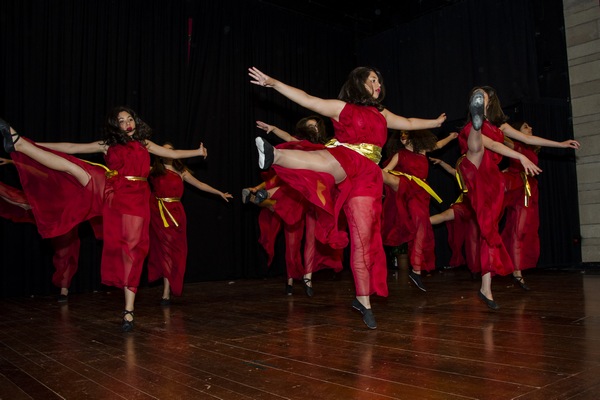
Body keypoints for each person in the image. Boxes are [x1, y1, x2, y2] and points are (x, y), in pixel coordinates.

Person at [248, 66, 446, 329]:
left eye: (379, 80)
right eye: (372, 79)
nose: (378, 84)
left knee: (363, 240)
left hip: (368, 177)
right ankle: (276, 155)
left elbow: (408, 123)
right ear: (358, 84)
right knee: (333, 158)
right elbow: (308, 99)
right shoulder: (342, 108)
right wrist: (273, 83)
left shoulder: (382, 113)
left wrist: (434, 123)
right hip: (344, 161)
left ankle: (363, 300)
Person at [1, 108, 207, 331]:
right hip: (112, 191)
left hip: (137, 199)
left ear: (135, 122)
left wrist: (197, 151)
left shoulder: (144, 143)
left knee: (133, 251)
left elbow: (174, 155)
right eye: (121, 121)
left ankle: (129, 310)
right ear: (116, 125)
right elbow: (71, 148)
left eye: (130, 119)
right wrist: (37, 145)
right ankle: (21, 144)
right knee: (74, 167)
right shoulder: (107, 144)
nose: (127, 123)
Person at [458, 87, 579, 310]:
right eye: (475, 95)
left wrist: (560, 144)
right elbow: (493, 145)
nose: (479, 97)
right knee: (476, 145)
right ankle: (475, 126)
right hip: (475, 166)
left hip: (493, 178)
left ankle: (486, 288)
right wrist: (520, 156)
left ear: (490, 100)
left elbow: (526, 137)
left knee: (489, 230)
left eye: (482, 95)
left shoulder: (501, 126)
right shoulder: (483, 130)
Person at [245, 116, 343, 296]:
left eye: (316, 126)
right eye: (310, 127)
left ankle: (308, 277)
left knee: (312, 238)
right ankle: (290, 278)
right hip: (299, 194)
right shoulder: (302, 145)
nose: (314, 129)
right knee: (292, 240)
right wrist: (273, 128)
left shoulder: (328, 147)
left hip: (318, 197)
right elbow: (289, 138)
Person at [148, 142, 232, 305]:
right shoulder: (154, 170)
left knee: (174, 251)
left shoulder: (181, 172)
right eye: (164, 150)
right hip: (159, 213)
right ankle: (166, 291)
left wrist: (219, 193)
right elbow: (132, 174)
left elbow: (200, 185)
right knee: (164, 250)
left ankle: (169, 286)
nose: (168, 153)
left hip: (177, 215)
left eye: (171, 150)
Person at [380, 130, 457, 291]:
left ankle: (416, 269)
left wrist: (450, 136)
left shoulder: (422, 150)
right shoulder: (400, 155)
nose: (403, 138)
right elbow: (385, 171)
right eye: (401, 136)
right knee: (418, 224)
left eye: (406, 135)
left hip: (421, 192)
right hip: (406, 188)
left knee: (421, 227)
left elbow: (438, 144)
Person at [500, 121, 542, 291]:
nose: (530, 128)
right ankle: (517, 272)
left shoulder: (532, 149)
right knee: (517, 230)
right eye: (525, 127)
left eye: (530, 126)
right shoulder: (514, 145)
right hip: (515, 187)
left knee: (523, 230)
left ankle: (515, 268)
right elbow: (499, 137)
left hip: (529, 190)